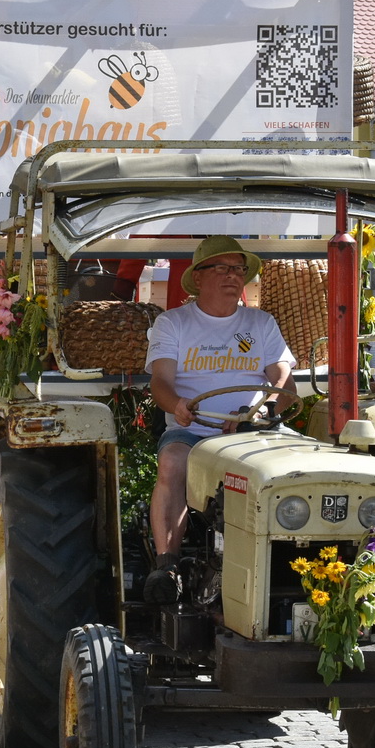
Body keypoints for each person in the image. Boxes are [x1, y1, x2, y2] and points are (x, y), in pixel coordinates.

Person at [142, 236, 294, 602]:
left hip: (254, 432)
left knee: (297, 470)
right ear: (199, 277)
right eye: (223, 268)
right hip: (194, 430)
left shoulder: (261, 323)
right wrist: (177, 404)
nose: (233, 276)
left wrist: (259, 410)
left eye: (239, 269)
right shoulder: (173, 322)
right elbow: (160, 382)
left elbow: (283, 380)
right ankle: (167, 565)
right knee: (172, 462)